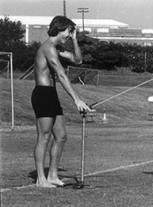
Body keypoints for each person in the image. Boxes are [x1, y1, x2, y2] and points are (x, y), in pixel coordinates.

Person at [31, 16, 91, 188]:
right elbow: (62, 75)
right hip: (43, 94)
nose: (68, 35)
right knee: (44, 137)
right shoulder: (48, 48)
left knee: (61, 136)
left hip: (51, 94)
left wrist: (75, 39)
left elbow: (78, 60)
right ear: (60, 29)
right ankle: (41, 179)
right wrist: (76, 99)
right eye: (68, 31)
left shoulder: (56, 49)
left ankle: (52, 175)